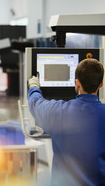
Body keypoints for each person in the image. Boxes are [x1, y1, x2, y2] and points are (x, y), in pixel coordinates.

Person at [28, 58, 105, 186]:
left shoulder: (58, 112)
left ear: (77, 83)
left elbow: (35, 103)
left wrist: (34, 86)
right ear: (101, 84)